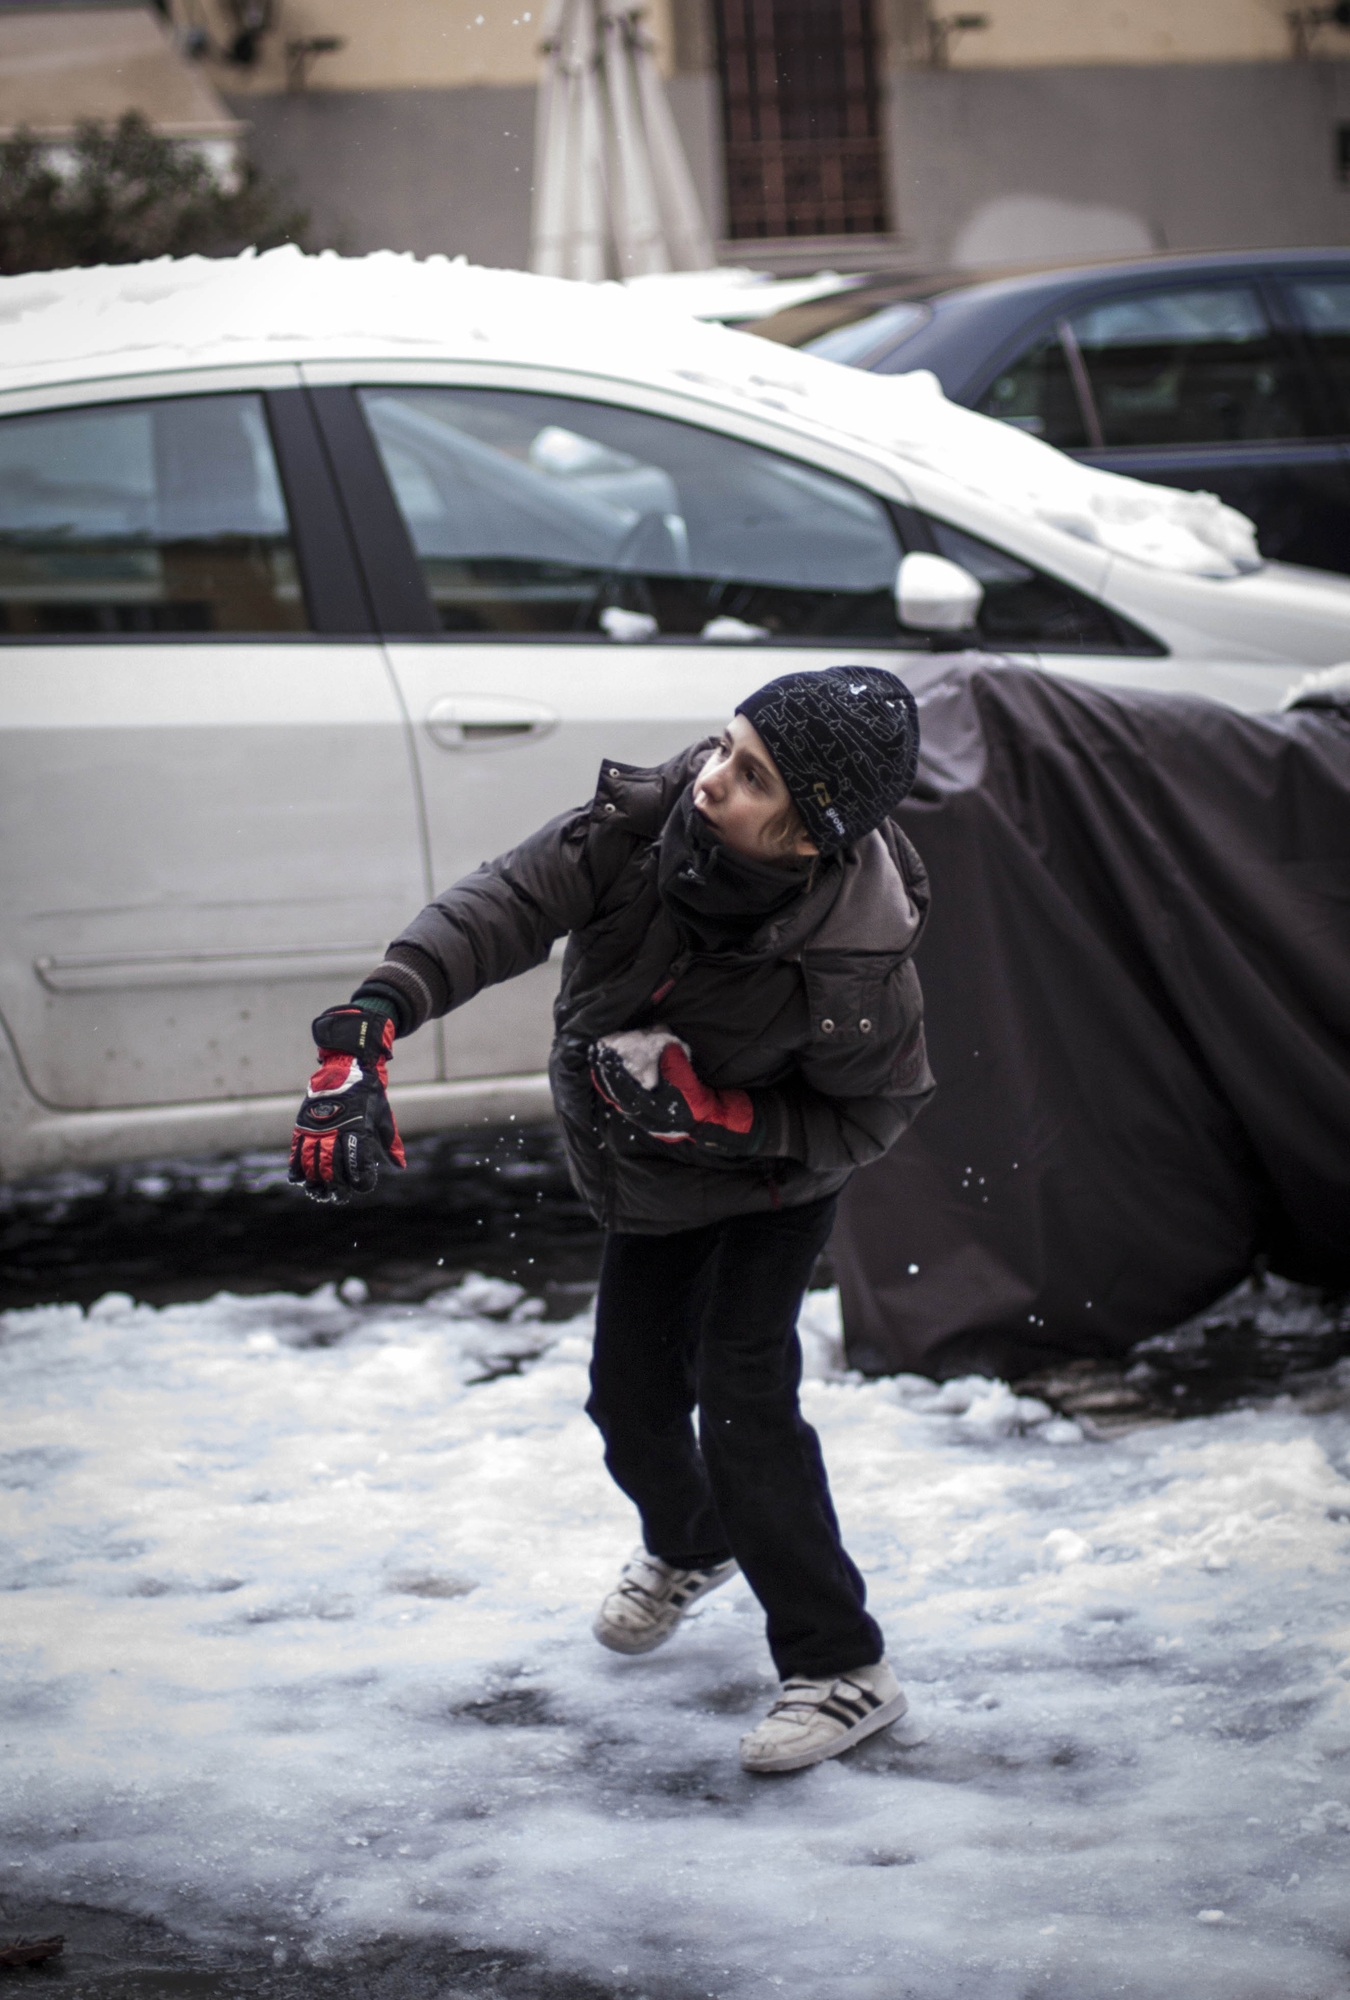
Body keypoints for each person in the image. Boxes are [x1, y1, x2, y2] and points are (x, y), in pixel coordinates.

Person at [289, 666, 934, 1774]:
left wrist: (725, 1114)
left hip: (773, 1181)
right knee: (628, 1395)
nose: (710, 777)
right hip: (653, 1174)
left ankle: (843, 1665)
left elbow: (873, 1113)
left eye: (751, 775)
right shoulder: (640, 827)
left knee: (743, 1399)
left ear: (806, 838)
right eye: (725, 745)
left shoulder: (854, 955)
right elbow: (502, 905)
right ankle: (691, 1542)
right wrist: (370, 1021)